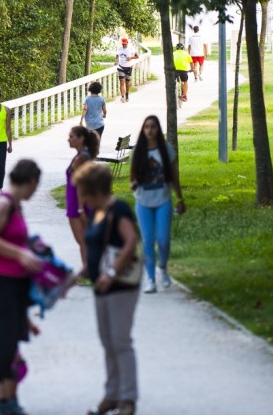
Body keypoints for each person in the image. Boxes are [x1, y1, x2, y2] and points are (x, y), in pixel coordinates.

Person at [0, 159, 43, 415]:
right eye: (36, 186)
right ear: (31, 182)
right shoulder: (3, 203)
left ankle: (6, 400)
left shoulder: (14, 205)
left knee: (10, 342)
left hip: (11, 284)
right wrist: (20, 254)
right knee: (3, 343)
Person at [73, 162, 140, 415]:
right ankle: (111, 395)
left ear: (95, 190)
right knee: (108, 341)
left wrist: (111, 273)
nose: (81, 197)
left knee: (121, 342)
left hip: (120, 285)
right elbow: (95, 251)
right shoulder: (97, 213)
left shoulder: (118, 209)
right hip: (100, 285)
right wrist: (77, 275)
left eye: (83, 192)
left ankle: (128, 399)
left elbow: (130, 242)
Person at [129, 115, 185, 294]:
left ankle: (163, 267)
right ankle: (151, 278)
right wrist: (134, 184)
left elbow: (175, 176)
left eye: (153, 127)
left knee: (163, 239)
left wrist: (180, 198)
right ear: (143, 130)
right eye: (146, 127)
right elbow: (133, 177)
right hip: (143, 201)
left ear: (157, 129)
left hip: (163, 199)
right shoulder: (138, 151)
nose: (149, 130)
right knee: (147, 241)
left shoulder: (167, 150)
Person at [65, 126, 100, 272]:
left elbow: (81, 184)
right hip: (77, 202)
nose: (69, 139)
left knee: (83, 241)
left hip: (77, 204)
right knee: (85, 240)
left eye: (72, 136)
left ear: (81, 139)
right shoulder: (82, 156)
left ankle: (89, 271)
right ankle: (89, 270)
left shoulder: (81, 158)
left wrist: (80, 208)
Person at [114, 37, 139, 103]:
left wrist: (131, 58)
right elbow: (117, 55)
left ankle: (127, 94)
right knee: (122, 82)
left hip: (128, 67)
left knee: (127, 83)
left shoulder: (131, 49)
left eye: (125, 44)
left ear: (127, 43)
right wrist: (116, 61)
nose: (124, 45)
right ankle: (122, 97)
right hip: (121, 67)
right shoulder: (119, 49)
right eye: (123, 44)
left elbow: (137, 56)